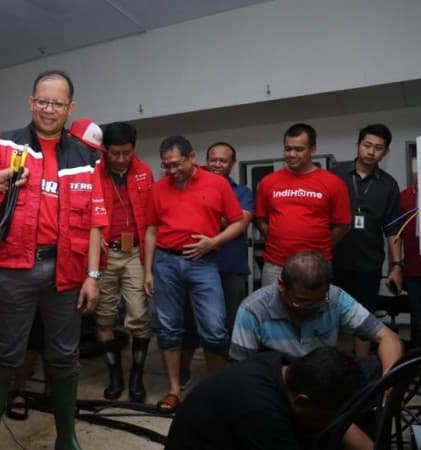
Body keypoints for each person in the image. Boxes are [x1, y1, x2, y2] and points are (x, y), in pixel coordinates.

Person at [0, 70, 108, 450]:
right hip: (12, 270)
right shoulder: (4, 145)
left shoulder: (85, 158)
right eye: (43, 101)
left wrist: (93, 275)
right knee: (4, 356)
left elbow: (97, 221)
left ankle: (67, 438)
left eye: (58, 103)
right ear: (32, 102)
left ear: (71, 108)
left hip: (66, 273)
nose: (49, 110)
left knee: (65, 358)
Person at [144, 135, 246, 413]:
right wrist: (148, 271)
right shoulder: (158, 188)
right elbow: (151, 230)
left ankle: (215, 390)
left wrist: (214, 242)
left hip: (203, 263)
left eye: (177, 164)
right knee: (168, 329)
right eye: (166, 166)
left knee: (214, 330)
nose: (172, 171)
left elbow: (238, 222)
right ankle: (174, 390)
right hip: (165, 262)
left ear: (192, 157)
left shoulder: (217, 184)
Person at [230, 250, 403, 374]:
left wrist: (388, 382)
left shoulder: (334, 298)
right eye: (300, 302)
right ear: (281, 286)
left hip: (323, 384)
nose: (307, 309)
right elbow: (239, 372)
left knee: (373, 367)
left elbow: (388, 338)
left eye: (316, 303)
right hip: (274, 386)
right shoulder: (253, 309)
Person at [165, 348, 365, 450]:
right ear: (301, 401)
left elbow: (341, 423)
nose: (330, 424)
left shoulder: (282, 368)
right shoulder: (262, 413)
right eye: (327, 418)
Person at [179, 141, 254, 387]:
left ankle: (223, 377)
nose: (217, 164)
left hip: (230, 266)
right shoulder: (190, 186)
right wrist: (221, 218)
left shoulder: (242, 192)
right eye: (213, 159)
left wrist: (208, 217)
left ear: (232, 164)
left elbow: (239, 222)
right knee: (189, 320)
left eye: (223, 160)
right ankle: (183, 371)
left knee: (228, 323)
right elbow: (185, 220)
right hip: (196, 263)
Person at [92, 121, 155, 403]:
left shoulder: (144, 172)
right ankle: (115, 374)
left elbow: (152, 218)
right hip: (105, 253)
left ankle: (136, 376)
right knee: (103, 316)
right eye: (114, 153)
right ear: (105, 150)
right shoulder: (94, 171)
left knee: (140, 316)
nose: (120, 159)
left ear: (133, 149)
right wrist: (93, 236)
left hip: (134, 253)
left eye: (126, 153)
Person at [332, 124, 403, 356]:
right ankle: (326, 366)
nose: (371, 152)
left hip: (368, 264)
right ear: (358, 145)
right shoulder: (335, 174)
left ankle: (361, 366)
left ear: (386, 152)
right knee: (327, 314)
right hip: (333, 259)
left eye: (378, 148)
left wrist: (396, 266)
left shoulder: (389, 184)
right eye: (367, 145)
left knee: (364, 318)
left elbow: (393, 229)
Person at [256, 123, 351, 285]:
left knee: (315, 309)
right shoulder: (268, 182)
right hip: (276, 265)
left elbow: (343, 224)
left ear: (312, 150)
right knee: (273, 309)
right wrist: (277, 239)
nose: (291, 154)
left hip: (316, 265)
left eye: (299, 149)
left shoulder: (333, 183)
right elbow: (261, 219)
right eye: (287, 149)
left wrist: (322, 245)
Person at [399, 182, 421, 347]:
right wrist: (396, 266)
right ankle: (419, 361)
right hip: (414, 270)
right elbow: (395, 234)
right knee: (419, 317)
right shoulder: (405, 197)